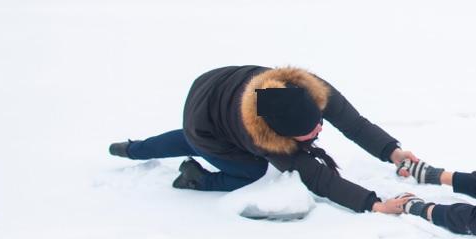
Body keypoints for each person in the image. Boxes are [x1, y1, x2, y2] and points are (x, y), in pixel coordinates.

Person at [109, 65, 415, 214]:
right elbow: (319, 179)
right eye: (310, 132)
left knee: (190, 140)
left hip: (218, 85)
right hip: (203, 123)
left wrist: (393, 152)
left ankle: (133, 149)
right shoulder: (262, 139)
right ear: (282, 135)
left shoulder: (308, 90)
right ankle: (195, 179)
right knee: (250, 169)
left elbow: (355, 124)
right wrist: (375, 206)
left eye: (319, 121)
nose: (320, 129)